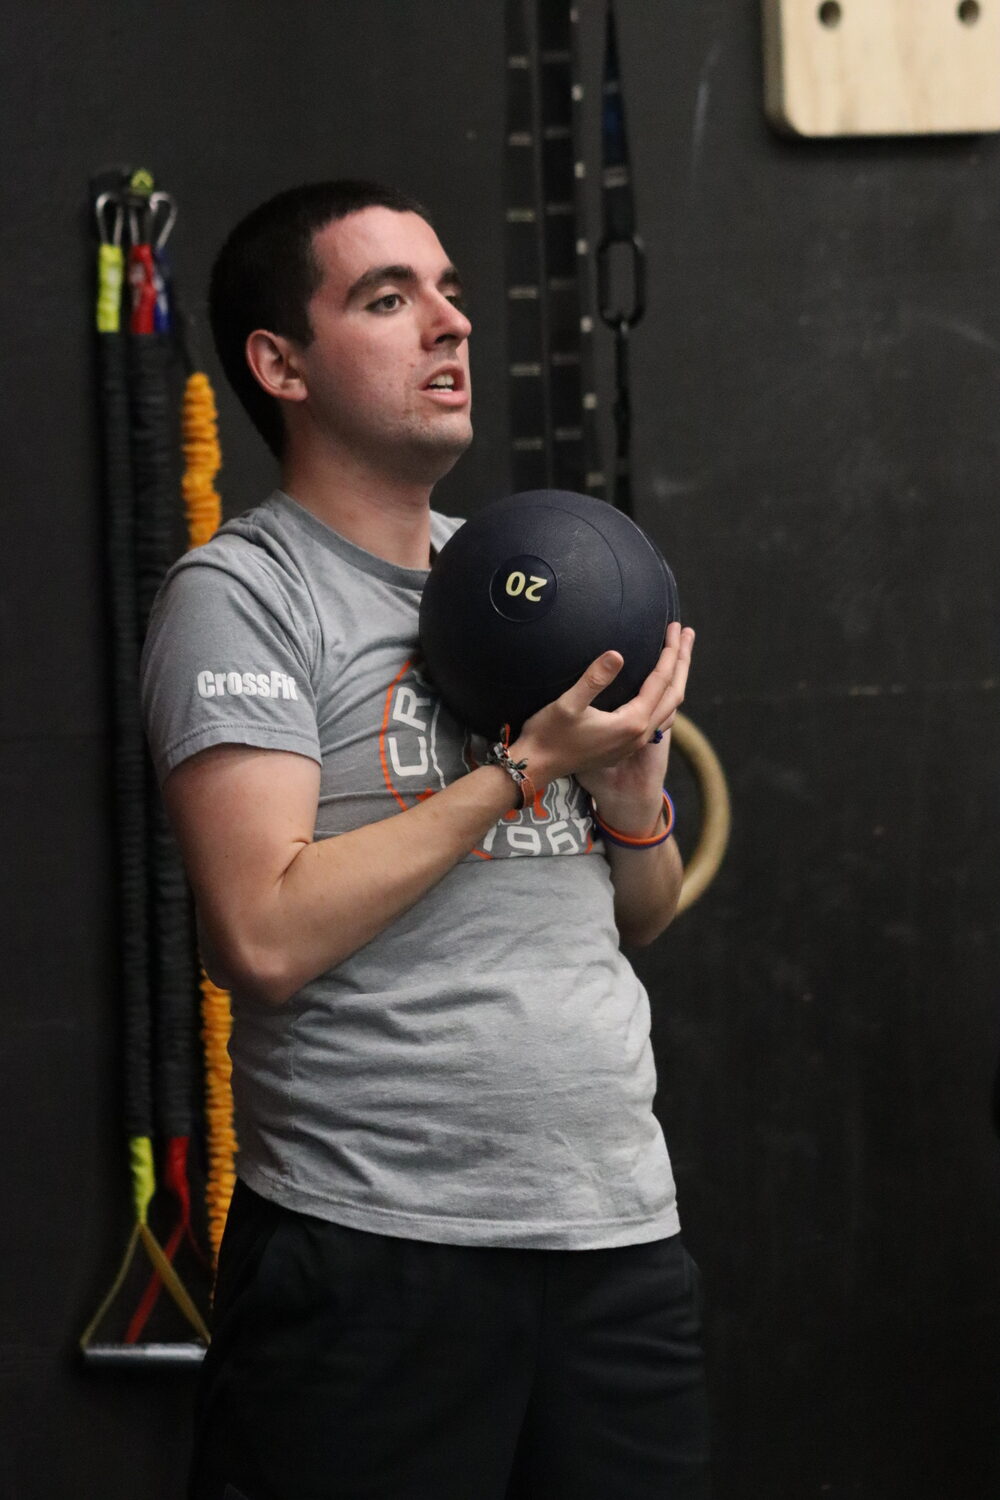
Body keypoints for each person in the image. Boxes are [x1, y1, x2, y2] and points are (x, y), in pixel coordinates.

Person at [141, 179, 707, 1500]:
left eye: (448, 292)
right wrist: (520, 771)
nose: (449, 325)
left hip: (614, 1242)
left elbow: (643, 911)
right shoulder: (244, 596)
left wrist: (628, 799)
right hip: (372, 1261)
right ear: (280, 364)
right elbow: (264, 934)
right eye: (388, 299)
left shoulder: (531, 580)